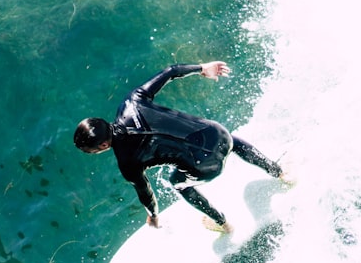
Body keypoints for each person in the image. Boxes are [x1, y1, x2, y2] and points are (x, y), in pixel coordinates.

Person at [74, 61, 286, 233]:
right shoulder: (131, 102)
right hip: (217, 134)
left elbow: (146, 193)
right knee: (232, 140)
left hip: (207, 167)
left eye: (91, 151)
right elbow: (171, 71)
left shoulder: (127, 162)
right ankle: (279, 172)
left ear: (102, 144)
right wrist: (203, 68)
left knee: (177, 182)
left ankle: (222, 224)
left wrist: (153, 215)